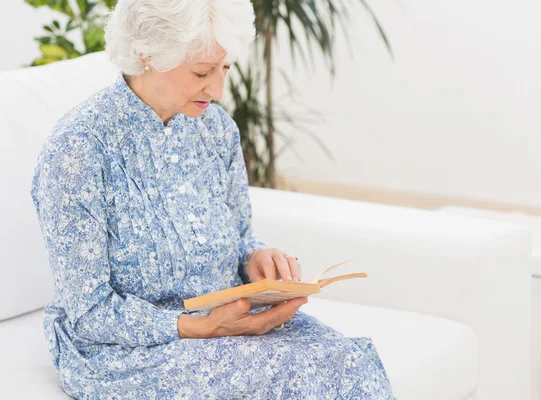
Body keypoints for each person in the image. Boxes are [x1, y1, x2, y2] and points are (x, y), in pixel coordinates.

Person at [29, 0, 396, 398]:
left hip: (232, 323)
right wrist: (197, 326)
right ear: (146, 55)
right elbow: (89, 312)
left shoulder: (217, 129)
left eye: (226, 69)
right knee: (294, 377)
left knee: (347, 360)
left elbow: (240, 237)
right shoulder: (79, 149)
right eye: (202, 72)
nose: (218, 90)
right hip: (126, 350)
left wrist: (256, 260)